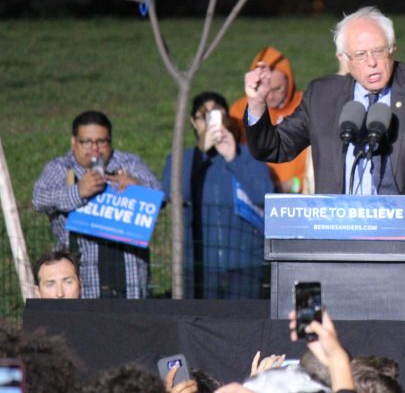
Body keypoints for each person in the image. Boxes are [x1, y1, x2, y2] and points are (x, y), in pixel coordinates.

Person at [244, 6, 405, 203]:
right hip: (337, 227)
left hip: (402, 231)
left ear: (393, 48)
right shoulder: (322, 95)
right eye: (360, 55)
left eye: (378, 51)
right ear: (344, 59)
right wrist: (256, 104)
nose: (372, 62)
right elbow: (274, 147)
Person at [32, 111, 161, 299]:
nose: (95, 149)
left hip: (130, 277)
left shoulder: (129, 163)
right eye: (86, 142)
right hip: (83, 277)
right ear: (74, 142)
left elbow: (160, 196)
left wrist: (138, 187)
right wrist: (78, 192)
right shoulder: (61, 168)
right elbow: (39, 198)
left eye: (102, 142)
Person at [163, 91, 274, 299]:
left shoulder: (249, 157)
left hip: (245, 263)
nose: (211, 123)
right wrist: (200, 153)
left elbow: (265, 196)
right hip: (198, 264)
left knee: (243, 325)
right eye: (204, 117)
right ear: (193, 122)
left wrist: (233, 158)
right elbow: (177, 195)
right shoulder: (180, 159)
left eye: (217, 115)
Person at [230, 46, 309, 194]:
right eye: (265, 88)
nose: (270, 96)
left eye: (277, 89)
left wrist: (295, 184)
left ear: (289, 81)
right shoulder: (239, 110)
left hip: (298, 195)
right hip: (254, 193)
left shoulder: (305, 105)